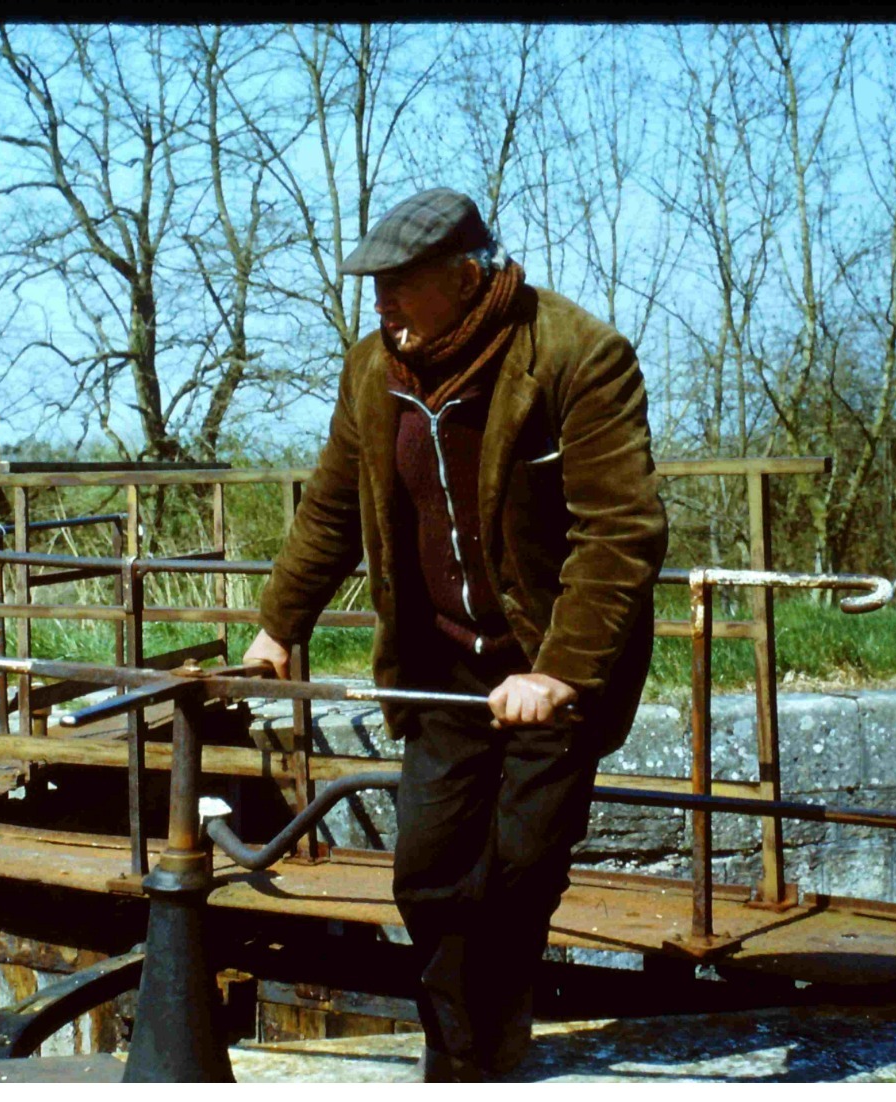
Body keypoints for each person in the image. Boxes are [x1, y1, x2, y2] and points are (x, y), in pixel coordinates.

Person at [243, 188, 667, 1082]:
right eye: (375, 286)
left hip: (551, 669)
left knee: (516, 875)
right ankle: (459, 1063)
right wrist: (279, 626)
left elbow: (620, 531)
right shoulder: (373, 368)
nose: (381, 304)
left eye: (399, 284)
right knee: (426, 875)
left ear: (466, 276)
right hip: (442, 666)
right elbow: (330, 508)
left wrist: (557, 673)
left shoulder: (575, 355)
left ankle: (486, 1059)